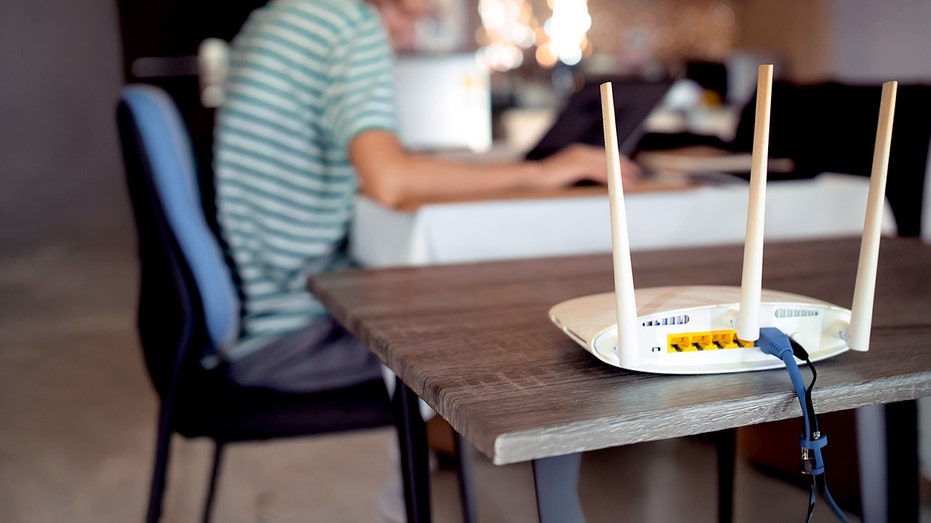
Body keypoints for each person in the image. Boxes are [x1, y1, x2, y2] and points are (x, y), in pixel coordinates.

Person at [212, 0, 640, 392]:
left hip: (259, 313)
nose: (405, 36)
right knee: (520, 333)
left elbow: (370, 170)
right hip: (297, 331)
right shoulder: (350, 25)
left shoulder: (274, 15)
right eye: (403, 15)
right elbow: (390, 181)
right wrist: (541, 174)